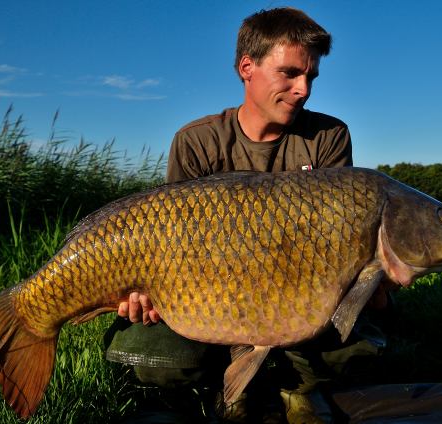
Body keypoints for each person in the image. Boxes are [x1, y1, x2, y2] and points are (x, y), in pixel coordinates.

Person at [105, 7, 387, 423]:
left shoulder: (328, 137)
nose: (303, 89)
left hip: (296, 283)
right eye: (289, 73)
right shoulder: (197, 141)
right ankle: (224, 384)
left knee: (356, 335)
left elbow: (337, 240)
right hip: (207, 289)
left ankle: (299, 389)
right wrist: (145, 290)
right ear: (247, 67)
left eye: (311, 77)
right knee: (153, 355)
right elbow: (168, 240)